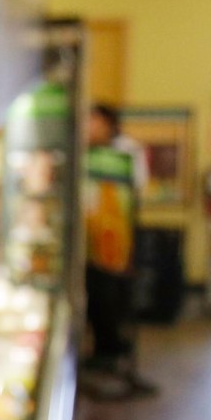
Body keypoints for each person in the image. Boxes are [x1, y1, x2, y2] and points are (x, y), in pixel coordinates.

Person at [82, 102, 157, 397]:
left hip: (117, 240)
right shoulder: (84, 150)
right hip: (88, 239)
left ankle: (114, 353)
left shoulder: (128, 151)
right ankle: (102, 350)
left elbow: (138, 185)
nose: (90, 127)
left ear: (108, 123)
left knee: (114, 296)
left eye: (95, 121)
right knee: (95, 294)